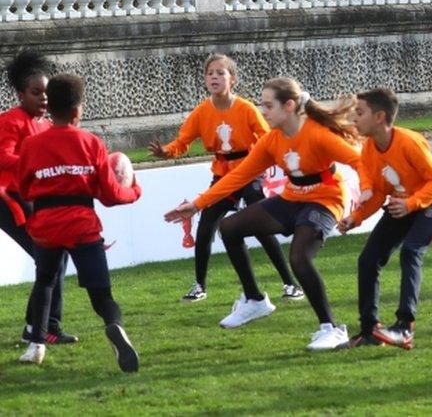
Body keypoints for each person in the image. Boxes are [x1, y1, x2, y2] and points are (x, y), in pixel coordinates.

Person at [164, 78, 361, 352]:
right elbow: (239, 176)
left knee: (299, 256)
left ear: (289, 106)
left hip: (326, 199)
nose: (264, 111)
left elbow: (360, 162)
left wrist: (364, 206)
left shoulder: (318, 134)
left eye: (268, 105)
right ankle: (255, 301)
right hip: (293, 198)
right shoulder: (271, 141)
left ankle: (331, 328)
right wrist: (198, 205)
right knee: (230, 227)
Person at [148, 54, 302, 303]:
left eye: (220, 73)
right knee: (206, 225)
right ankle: (199, 285)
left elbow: (267, 138)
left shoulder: (246, 108)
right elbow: (182, 142)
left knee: (262, 227)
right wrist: (166, 151)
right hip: (222, 175)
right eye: (210, 73)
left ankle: (290, 284)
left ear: (233, 79)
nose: (214, 77)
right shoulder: (201, 111)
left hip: (249, 172)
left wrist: (278, 160)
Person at [17, 73, 141, 371]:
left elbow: (24, 187)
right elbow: (110, 195)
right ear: (77, 110)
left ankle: (36, 346)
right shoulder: (91, 142)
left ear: (50, 109)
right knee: (102, 296)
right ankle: (113, 325)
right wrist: (134, 190)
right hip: (82, 224)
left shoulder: (33, 145)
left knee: (45, 281)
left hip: (46, 226)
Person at [338, 88, 432, 350]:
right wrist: (355, 218)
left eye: (360, 112)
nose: (354, 118)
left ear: (379, 117)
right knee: (368, 260)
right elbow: (378, 193)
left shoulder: (409, 141)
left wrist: (412, 203)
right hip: (402, 205)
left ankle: (404, 328)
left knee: (411, 252)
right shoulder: (369, 148)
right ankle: (369, 330)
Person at [0, 52, 76, 345]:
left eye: (47, 92)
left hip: (36, 199)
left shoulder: (47, 124)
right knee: (50, 259)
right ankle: (43, 327)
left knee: (56, 258)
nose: (44, 98)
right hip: (11, 199)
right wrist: (33, 163)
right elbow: (3, 156)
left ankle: (43, 326)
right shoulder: (11, 121)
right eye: (36, 93)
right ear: (21, 94)